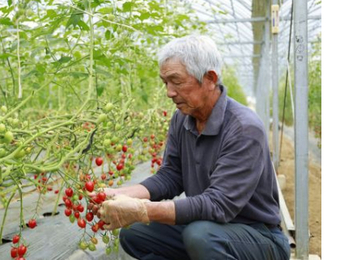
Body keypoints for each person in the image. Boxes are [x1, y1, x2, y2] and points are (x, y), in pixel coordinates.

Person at [96, 34, 291, 260]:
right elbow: (171, 176)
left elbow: (218, 205)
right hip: (208, 227)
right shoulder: (182, 119)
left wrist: (142, 210)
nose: (169, 91)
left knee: (200, 237)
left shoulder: (244, 128)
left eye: (176, 81)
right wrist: (118, 195)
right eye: (165, 82)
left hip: (258, 237)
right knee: (134, 233)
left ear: (209, 78)